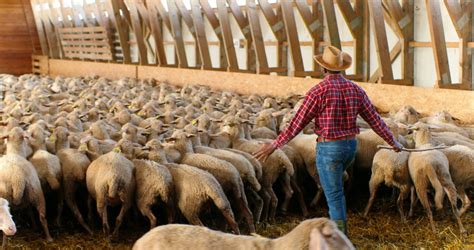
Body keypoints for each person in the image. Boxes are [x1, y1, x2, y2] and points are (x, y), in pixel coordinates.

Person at [253, 46, 403, 235]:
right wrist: (393, 142)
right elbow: (375, 119)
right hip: (350, 147)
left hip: (329, 148)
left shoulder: (317, 91)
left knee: (334, 196)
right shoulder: (356, 89)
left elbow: (297, 124)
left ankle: (340, 238)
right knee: (337, 187)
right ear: (342, 68)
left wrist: (275, 144)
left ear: (323, 69)